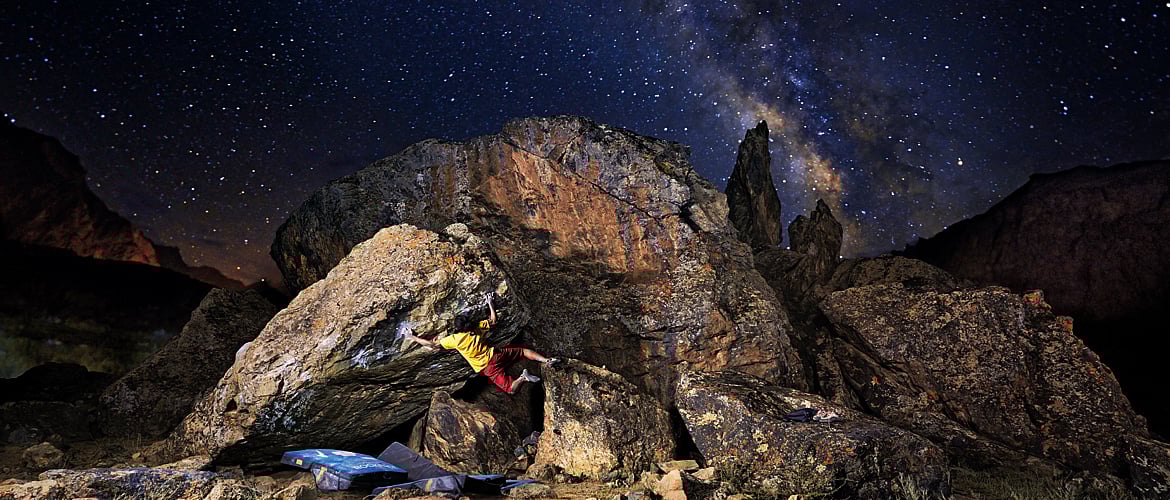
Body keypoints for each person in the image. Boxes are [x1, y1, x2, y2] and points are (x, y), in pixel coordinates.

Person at [406, 296, 559, 394]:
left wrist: (412, 337)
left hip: (487, 368)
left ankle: (523, 378)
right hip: (495, 355)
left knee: (511, 389)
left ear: (457, 328)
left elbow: (432, 346)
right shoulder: (476, 329)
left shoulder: (454, 340)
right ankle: (547, 361)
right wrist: (490, 304)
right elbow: (493, 321)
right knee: (523, 351)